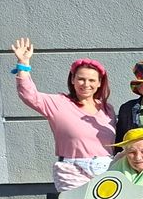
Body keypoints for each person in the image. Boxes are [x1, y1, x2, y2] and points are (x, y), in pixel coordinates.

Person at [10, 38, 116, 190]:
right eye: (81, 79)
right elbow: (29, 95)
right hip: (73, 171)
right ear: (72, 80)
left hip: (106, 169)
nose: (86, 84)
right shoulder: (59, 103)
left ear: (99, 83)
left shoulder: (108, 109)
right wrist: (23, 64)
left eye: (92, 80)